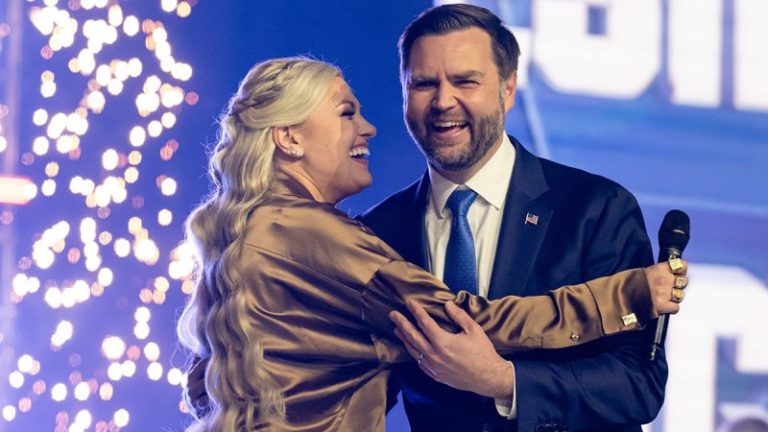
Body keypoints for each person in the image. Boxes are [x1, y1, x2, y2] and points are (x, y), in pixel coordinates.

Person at [176, 56, 688, 431]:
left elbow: (204, 385)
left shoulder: (245, 233)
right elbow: (461, 325)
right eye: (346, 113)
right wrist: (624, 296)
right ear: (289, 137)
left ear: (508, 88)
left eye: (465, 80)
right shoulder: (335, 234)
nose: (367, 128)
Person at [357, 3, 669, 432]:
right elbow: (361, 388)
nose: (443, 101)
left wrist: (505, 381)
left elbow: (638, 385)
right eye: (424, 83)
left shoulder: (595, 208)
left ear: (508, 89)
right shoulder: (377, 234)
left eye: (465, 81)